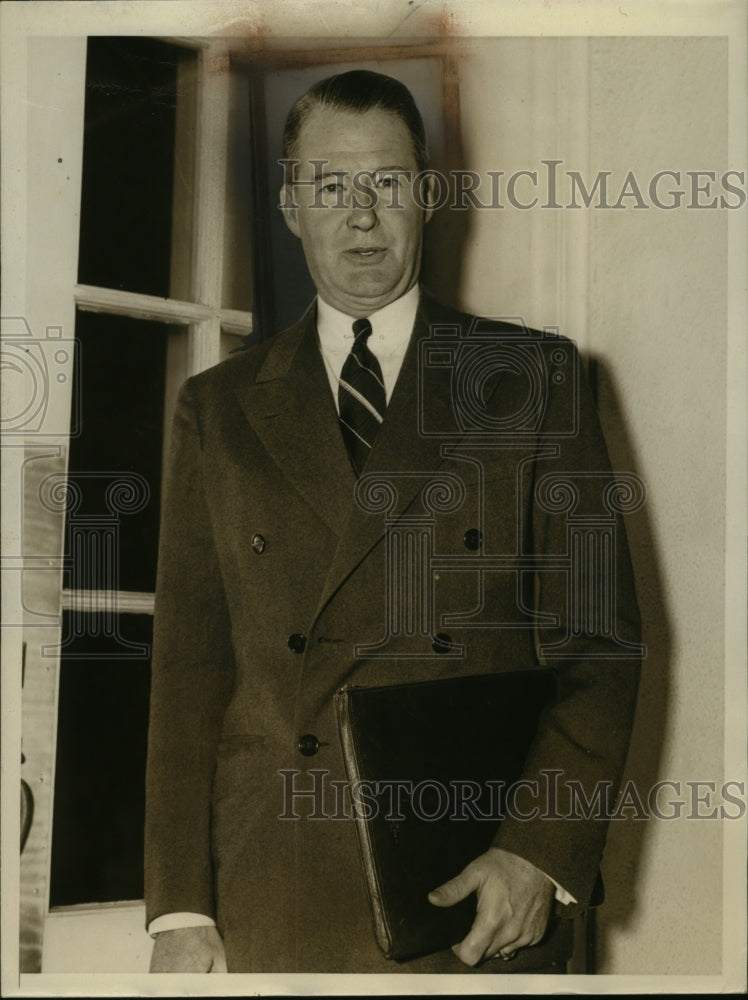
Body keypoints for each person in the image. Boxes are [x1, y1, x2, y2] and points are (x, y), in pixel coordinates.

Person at [145, 69, 642, 975]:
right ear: (292, 206)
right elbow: (188, 674)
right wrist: (179, 907)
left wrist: (539, 853)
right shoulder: (216, 410)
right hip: (274, 890)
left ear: (430, 195)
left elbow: (601, 646)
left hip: (474, 893)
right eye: (331, 187)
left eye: (387, 182)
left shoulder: (531, 378)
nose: (361, 215)